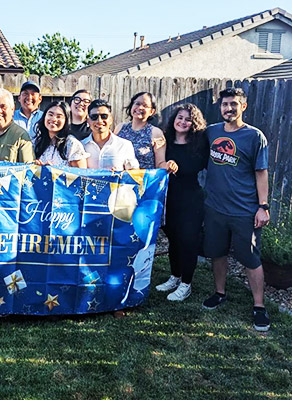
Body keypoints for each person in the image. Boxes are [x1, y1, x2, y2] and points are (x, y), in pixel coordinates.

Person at [202, 88, 270, 332]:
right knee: (217, 253)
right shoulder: (211, 132)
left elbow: (261, 173)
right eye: (224, 105)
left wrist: (262, 207)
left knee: (250, 258)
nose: (228, 108)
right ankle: (219, 293)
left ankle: (259, 307)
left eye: (233, 104)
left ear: (244, 106)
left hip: (244, 211)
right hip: (215, 208)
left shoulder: (254, 136)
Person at [155, 104, 208, 301]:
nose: (183, 122)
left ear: (193, 123)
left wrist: (175, 167)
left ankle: (186, 284)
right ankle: (175, 277)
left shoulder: (199, 143)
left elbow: (197, 165)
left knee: (188, 241)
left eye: (188, 119)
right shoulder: (165, 140)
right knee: (174, 240)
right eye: (180, 117)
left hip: (190, 199)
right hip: (169, 197)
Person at [115, 92, 170, 170]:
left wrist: (169, 166)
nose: (140, 107)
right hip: (120, 180)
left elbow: (160, 163)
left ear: (152, 111)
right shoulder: (120, 128)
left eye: (145, 106)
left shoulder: (156, 133)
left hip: (144, 180)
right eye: (137, 104)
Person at [84, 99, 139, 171]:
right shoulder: (82, 146)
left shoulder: (124, 145)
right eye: (94, 117)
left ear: (110, 119)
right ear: (88, 121)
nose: (99, 121)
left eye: (104, 116)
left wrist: (120, 175)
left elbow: (135, 174)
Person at [33, 101, 88, 167]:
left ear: (66, 120)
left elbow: (81, 174)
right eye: (50, 115)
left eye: (59, 116)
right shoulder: (37, 142)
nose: (54, 119)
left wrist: (55, 171)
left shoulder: (72, 144)